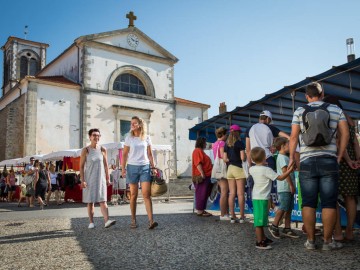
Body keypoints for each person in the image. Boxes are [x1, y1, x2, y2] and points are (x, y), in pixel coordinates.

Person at [289, 82, 349, 251]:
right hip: (329, 160)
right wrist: (339, 155)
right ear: (323, 94)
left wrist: (292, 158)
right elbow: (345, 133)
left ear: (307, 96)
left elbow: (293, 138)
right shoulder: (336, 110)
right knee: (329, 203)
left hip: (307, 162)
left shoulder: (299, 111)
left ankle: (310, 241)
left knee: (308, 203)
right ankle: (328, 242)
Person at [323, 95, 360, 241]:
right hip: (351, 162)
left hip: (338, 161)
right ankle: (350, 231)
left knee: (333, 199)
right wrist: (358, 159)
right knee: (350, 197)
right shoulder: (349, 118)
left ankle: (338, 233)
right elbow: (355, 143)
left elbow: (340, 143)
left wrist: (349, 160)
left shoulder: (334, 117)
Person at [250, 147, 294, 250]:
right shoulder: (267, 170)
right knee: (259, 222)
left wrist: (261, 163)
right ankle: (260, 242)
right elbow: (281, 177)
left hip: (257, 197)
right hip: (262, 198)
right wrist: (289, 170)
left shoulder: (252, 169)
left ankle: (263, 238)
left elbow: (257, 168)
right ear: (265, 157)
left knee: (261, 220)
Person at [121, 117, 158, 229]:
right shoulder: (129, 138)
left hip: (145, 167)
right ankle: (133, 220)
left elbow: (150, 154)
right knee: (133, 195)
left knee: (146, 194)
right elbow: (125, 154)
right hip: (132, 167)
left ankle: (151, 221)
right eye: (131, 123)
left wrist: (153, 167)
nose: (131, 125)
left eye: (134, 123)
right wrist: (123, 168)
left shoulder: (146, 137)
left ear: (140, 125)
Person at [80, 128, 116, 229]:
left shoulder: (103, 149)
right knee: (90, 201)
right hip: (89, 178)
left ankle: (106, 221)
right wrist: (82, 180)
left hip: (101, 179)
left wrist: (108, 178)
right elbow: (81, 167)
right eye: (94, 135)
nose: (96, 137)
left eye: (98, 135)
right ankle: (91, 222)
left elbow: (105, 165)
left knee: (103, 200)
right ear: (90, 137)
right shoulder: (85, 150)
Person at [268, 137, 299, 239]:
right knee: (283, 207)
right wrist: (291, 185)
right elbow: (285, 173)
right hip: (285, 187)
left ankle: (287, 228)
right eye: (288, 144)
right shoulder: (281, 157)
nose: (290, 146)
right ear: (282, 146)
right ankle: (274, 226)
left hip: (287, 187)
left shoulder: (284, 157)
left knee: (288, 208)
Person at [223, 124, 247, 223]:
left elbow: (224, 159)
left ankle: (232, 216)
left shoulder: (226, 144)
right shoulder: (240, 143)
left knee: (231, 193)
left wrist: (230, 159)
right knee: (240, 194)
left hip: (230, 169)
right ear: (237, 133)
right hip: (238, 168)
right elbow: (242, 158)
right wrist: (244, 155)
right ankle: (241, 216)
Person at [192, 136, 213, 217]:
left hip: (206, 175)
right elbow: (198, 163)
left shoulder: (200, 151)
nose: (206, 144)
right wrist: (202, 173)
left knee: (204, 193)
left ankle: (202, 209)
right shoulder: (197, 151)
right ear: (202, 143)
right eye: (205, 143)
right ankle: (200, 210)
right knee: (201, 193)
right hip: (201, 176)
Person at [212, 127, 229, 221]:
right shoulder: (222, 143)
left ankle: (225, 213)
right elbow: (223, 156)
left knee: (223, 192)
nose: (227, 136)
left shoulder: (214, 144)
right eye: (226, 134)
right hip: (222, 169)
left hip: (217, 169)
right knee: (224, 192)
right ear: (223, 134)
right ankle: (223, 214)